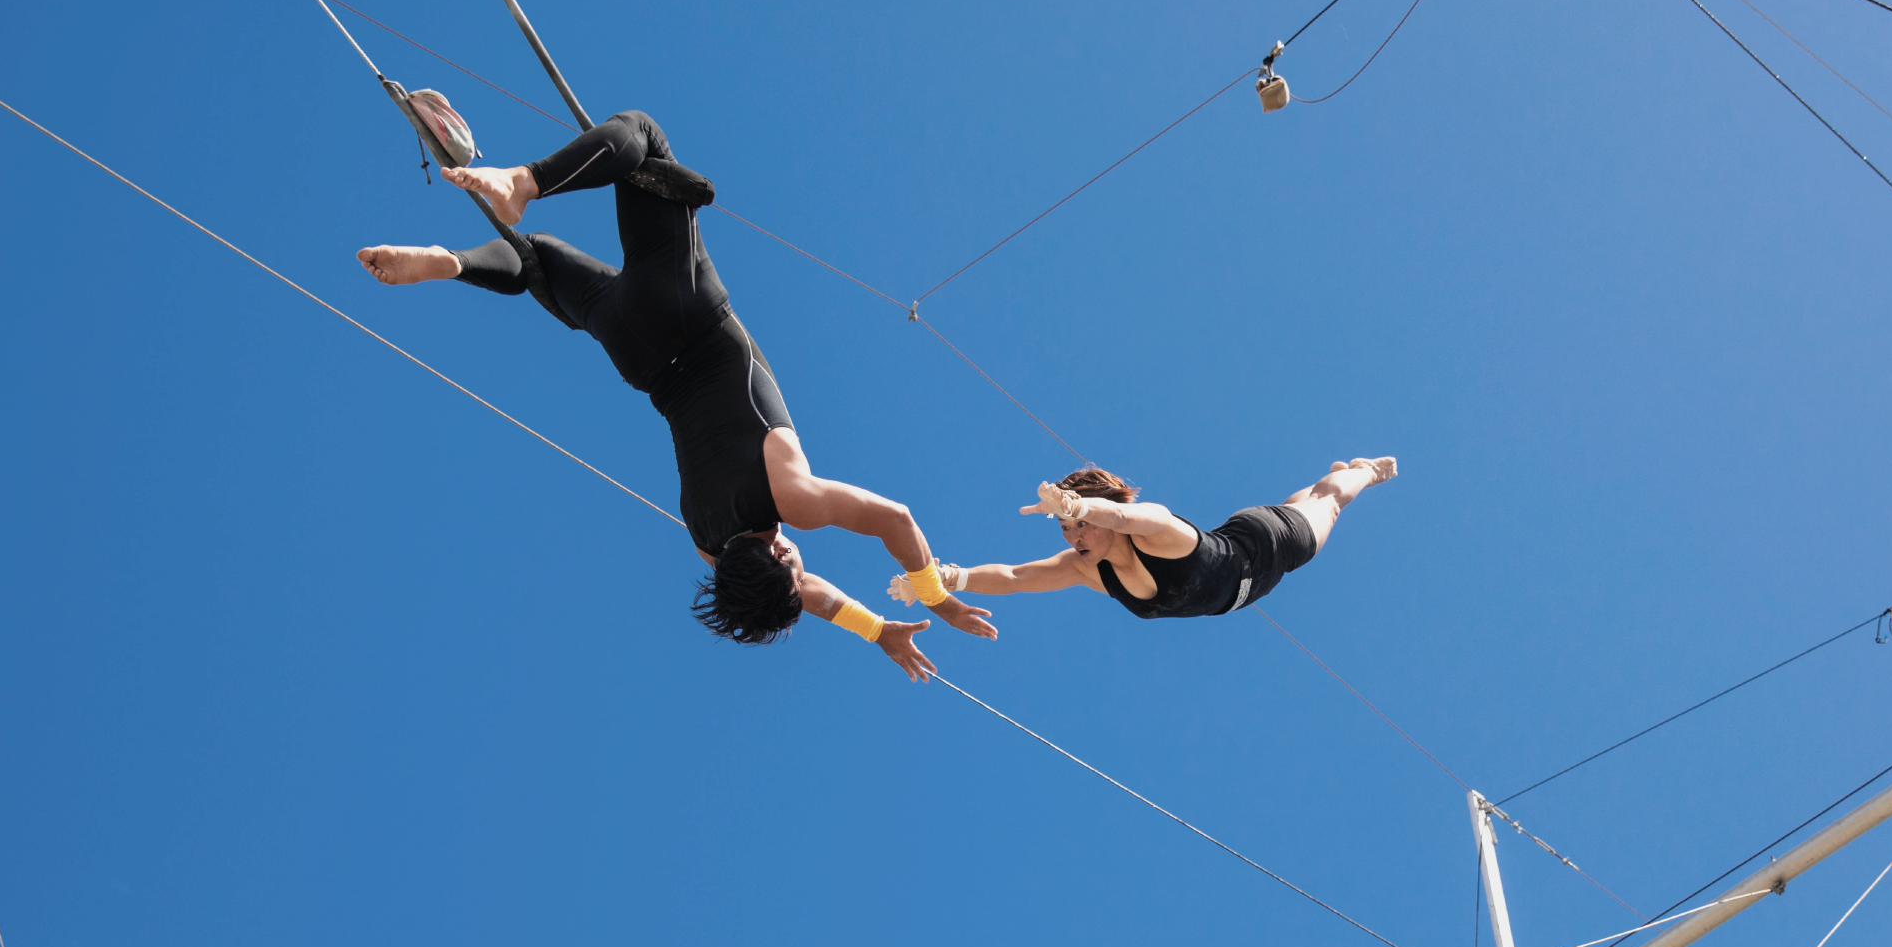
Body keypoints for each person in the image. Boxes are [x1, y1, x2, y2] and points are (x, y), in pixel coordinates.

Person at [355, 109, 993, 678]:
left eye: (794, 568)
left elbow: (895, 519)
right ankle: (450, 261)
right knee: (539, 260)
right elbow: (802, 593)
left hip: (689, 316)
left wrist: (934, 594)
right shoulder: (708, 543)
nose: (804, 571)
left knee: (643, 135)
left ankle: (523, 182)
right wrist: (876, 630)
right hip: (638, 354)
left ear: (780, 554)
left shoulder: (793, 499)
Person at [893, 460, 1396, 618]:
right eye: (1064, 528)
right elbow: (1014, 577)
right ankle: (1324, 482)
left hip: (1265, 546)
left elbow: (1122, 515)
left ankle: (1363, 470)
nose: (1072, 536)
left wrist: (1075, 505)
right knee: (1301, 502)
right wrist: (944, 578)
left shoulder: (1155, 528)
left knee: (1329, 501)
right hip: (1246, 589)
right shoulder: (1084, 568)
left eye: (1079, 525)